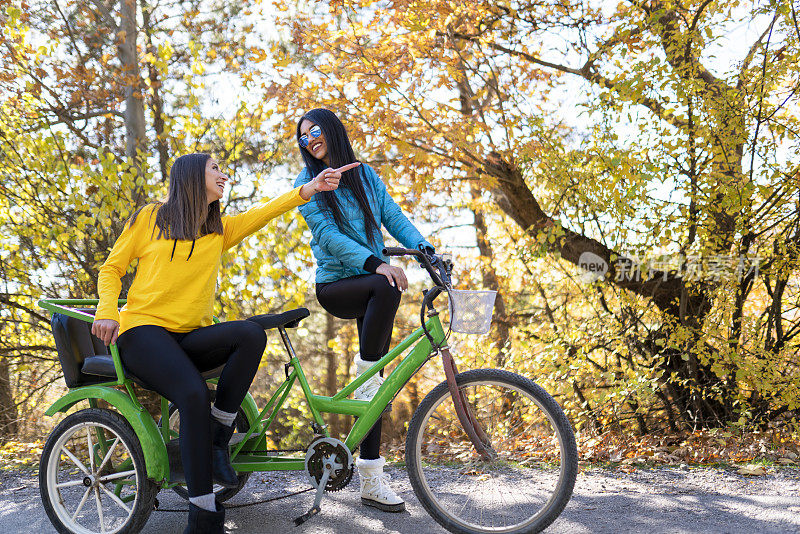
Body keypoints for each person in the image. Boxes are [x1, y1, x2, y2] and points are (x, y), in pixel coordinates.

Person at [91, 153, 357, 533]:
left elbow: (265, 212)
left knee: (249, 333)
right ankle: (202, 511)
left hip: (190, 337)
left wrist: (309, 189)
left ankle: (220, 432)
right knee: (194, 394)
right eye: (215, 168)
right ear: (190, 175)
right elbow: (112, 268)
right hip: (142, 332)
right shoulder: (150, 217)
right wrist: (107, 310)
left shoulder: (217, 230)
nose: (224, 174)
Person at [293, 108, 433, 512]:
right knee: (384, 285)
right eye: (302, 138)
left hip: (372, 284)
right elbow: (329, 237)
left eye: (314, 131)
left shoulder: (365, 174)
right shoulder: (308, 184)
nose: (309, 140)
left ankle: (371, 478)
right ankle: (368, 370)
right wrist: (377, 263)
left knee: (377, 383)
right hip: (337, 285)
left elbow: (392, 216)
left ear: (333, 130)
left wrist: (425, 250)